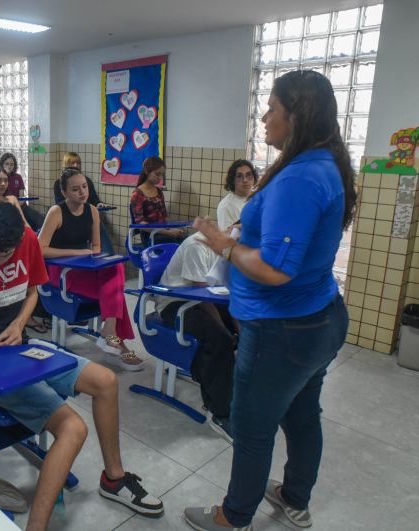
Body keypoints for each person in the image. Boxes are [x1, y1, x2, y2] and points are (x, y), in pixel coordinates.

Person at [0, 202, 163, 531]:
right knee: (73, 428)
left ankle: (113, 478)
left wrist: (19, 324)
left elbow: (32, 292)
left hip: (23, 347)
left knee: (106, 381)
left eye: (5, 255)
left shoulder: (27, 240)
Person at [184, 70, 354, 531]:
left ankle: (232, 516)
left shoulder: (300, 176)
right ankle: (294, 498)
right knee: (301, 412)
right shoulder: (324, 162)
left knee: (253, 426)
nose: (264, 116)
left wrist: (222, 242)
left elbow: (277, 270)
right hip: (319, 318)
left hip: (283, 329)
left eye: (272, 108)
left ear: (296, 116)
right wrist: (242, 234)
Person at [39, 168, 143, 371]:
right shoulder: (56, 212)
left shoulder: (92, 211)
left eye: (85, 187)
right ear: (64, 191)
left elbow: (96, 246)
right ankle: (115, 342)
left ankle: (110, 334)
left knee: (115, 271)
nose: (82, 192)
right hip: (60, 273)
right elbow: (40, 250)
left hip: (83, 267)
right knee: (115, 292)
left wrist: (87, 255)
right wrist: (75, 253)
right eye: (76, 189)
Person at [155, 233, 236, 442]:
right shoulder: (197, 246)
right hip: (176, 304)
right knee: (222, 340)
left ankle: (228, 387)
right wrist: (223, 329)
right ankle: (219, 413)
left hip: (204, 299)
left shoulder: (231, 248)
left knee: (243, 331)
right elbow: (200, 296)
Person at [53, 152, 115, 254]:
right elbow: (60, 202)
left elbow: (94, 199)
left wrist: (99, 204)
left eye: (78, 163)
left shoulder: (87, 182)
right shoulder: (58, 186)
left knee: (108, 252)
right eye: (72, 163)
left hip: (86, 216)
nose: (75, 166)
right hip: (70, 220)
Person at [130, 157, 186, 245]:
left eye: (162, 175)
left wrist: (173, 229)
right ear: (146, 171)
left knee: (187, 239)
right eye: (157, 174)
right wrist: (168, 232)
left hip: (164, 232)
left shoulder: (159, 192)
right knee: (182, 243)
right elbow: (142, 225)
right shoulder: (137, 194)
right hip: (150, 236)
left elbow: (165, 217)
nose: (160, 178)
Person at [0, 152, 45, 230]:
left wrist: (19, 203)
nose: (9, 166)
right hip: (7, 208)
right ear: (2, 165)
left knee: (40, 219)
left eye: (11, 164)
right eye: (6, 164)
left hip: (21, 206)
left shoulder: (18, 177)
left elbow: (22, 197)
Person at [217, 160, 258, 231]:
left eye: (249, 175)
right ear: (233, 180)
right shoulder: (226, 206)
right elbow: (226, 237)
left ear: (254, 177)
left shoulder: (258, 198)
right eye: (239, 176)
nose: (245, 180)